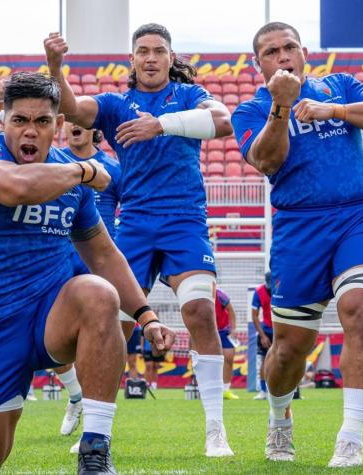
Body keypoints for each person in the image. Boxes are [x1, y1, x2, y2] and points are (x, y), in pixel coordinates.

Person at [0, 72, 176, 474]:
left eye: (42, 121)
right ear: (3, 120)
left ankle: (95, 448)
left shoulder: (70, 173)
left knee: (97, 292)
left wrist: (146, 315)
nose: (30, 131)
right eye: (20, 120)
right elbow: (17, 188)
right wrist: (84, 171)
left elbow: (103, 253)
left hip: (50, 316)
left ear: (58, 124)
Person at [45, 23, 236, 457]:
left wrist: (160, 126)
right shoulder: (116, 104)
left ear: (171, 57)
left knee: (200, 311)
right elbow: (72, 109)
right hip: (134, 223)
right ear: (131, 59)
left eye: (159, 51)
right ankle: (96, 429)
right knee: (112, 325)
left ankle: (215, 430)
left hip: (185, 221)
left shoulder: (188, 96)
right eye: (143, 51)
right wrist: (56, 69)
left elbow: (223, 121)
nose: (151, 58)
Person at [231, 22, 363, 467]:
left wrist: (335, 111)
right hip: (299, 228)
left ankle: (351, 438)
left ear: (304, 52)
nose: (283, 56)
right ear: (257, 64)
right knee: (290, 349)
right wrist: (282, 107)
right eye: (272, 51)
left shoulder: (339, 85)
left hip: (357, 216)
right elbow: (268, 160)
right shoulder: (249, 111)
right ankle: (279, 419)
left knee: (362, 311)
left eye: (289, 47)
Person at [55, 120, 124, 442]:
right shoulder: (55, 162)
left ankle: (95, 421)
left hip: (96, 257)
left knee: (94, 339)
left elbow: (131, 208)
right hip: (59, 253)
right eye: (71, 122)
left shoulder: (112, 168)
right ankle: (76, 395)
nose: (76, 127)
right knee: (53, 339)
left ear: (94, 130)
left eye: (83, 122)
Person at [214, 287, 239, 400]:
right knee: (210, 361)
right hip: (208, 332)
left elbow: (231, 310)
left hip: (224, 331)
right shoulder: (198, 294)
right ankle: (211, 389)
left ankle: (226, 390)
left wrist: (233, 329)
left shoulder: (219, 294)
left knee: (228, 358)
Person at [251, 272, 273, 400]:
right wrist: (263, 336)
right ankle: (263, 391)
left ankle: (287, 391)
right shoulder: (259, 292)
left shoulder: (283, 288)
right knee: (265, 360)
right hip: (267, 331)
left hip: (282, 330)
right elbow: (254, 316)